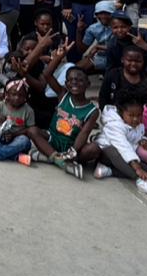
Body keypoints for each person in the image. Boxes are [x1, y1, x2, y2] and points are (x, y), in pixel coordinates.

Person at [28, 43, 101, 179]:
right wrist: (59, 57)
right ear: (66, 84)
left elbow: (84, 133)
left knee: (94, 149)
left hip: (72, 147)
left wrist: (73, 151)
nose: (75, 83)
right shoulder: (63, 94)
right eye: (71, 80)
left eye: (80, 80)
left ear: (88, 84)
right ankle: (60, 162)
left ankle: (50, 157)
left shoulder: (92, 111)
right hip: (52, 139)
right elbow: (47, 74)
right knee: (33, 131)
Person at [92, 89, 147, 196]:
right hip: (107, 152)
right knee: (136, 168)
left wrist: (146, 142)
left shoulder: (139, 125)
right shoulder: (114, 125)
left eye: (139, 115)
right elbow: (123, 146)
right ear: (121, 113)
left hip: (126, 154)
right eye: (131, 115)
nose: (135, 119)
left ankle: (109, 171)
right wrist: (138, 169)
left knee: (146, 168)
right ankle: (141, 181)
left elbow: (136, 139)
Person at [104, 10, 147, 79]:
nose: (119, 30)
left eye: (123, 27)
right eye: (115, 27)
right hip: (128, 77)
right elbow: (110, 69)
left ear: (129, 26)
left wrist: (145, 46)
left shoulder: (146, 34)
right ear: (111, 28)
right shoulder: (112, 44)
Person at [98, 44, 147, 108]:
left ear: (143, 61)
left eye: (138, 61)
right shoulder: (113, 75)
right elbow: (103, 97)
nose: (133, 64)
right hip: (115, 114)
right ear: (122, 60)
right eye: (129, 60)